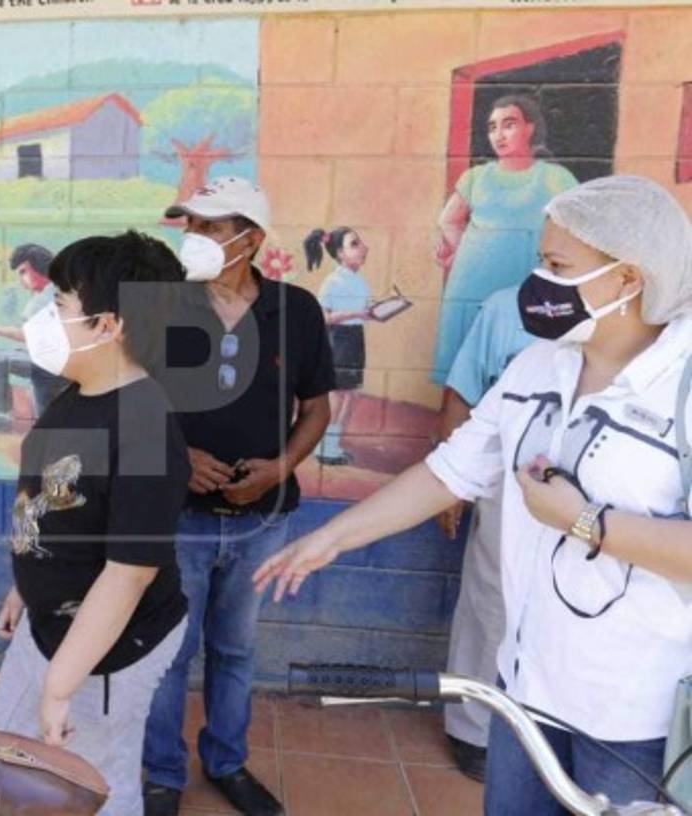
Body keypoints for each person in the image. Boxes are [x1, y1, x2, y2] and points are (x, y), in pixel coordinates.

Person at [255, 175, 692, 814]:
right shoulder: (541, 365)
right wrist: (330, 539)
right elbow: (449, 472)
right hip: (524, 689)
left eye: (555, 265)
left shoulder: (679, 385)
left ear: (628, 280)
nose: (537, 282)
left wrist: (586, 523)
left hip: (638, 716)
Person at [142, 177, 336, 816]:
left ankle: (227, 761)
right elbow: (122, 399)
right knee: (168, 653)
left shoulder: (296, 311)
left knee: (236, 649)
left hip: (262, 524)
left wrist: (280, 466)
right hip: (177, 519)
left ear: (249, 239)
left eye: (208, 226)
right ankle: (160, 774)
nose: (192, 237)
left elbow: (315, 408)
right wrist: (174, 457)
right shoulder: (161, 305)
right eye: (189, 226)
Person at [0, 231, 192, 816]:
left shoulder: (145, 427)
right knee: (10, 737)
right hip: (49, 626)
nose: (44, 317)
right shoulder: (76, 395)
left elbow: (127, 576)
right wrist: (23, 585)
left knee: (93, 782)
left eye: (60, 305)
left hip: (108, 648)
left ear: (109, 325)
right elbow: (54, 501)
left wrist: (61, 687)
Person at [435, 282, 534, 781]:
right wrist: (454, 487)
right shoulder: (505, 308)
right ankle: (471, 729)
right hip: (508, 480)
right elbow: (462, 392)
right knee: (490, 601)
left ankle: (548, 730)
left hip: (597, 489)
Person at [432, 94, 577, 385]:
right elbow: (448, 220)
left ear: (530, 128)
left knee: (522, 373)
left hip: (525, 284)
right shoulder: (476, 177)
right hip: (470, 285)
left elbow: (579, 224)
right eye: (492, 127)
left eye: (508, 124)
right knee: (465, 378)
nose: (499, 134)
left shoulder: (553, 176)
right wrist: (467, 253)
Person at [305, 227, 375, 467]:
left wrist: (377, 312)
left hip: (355, 337)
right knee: (336, 396)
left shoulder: (359, 280)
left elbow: (365, 310)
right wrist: (356, 313)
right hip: (339, 340)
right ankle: (324, 446)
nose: (363, 247)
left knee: (350, 395)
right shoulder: (333, 281)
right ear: (340, 253)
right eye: (354, 244)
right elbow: (323, 317)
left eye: (361, 242)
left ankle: (333, 445)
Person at [0, 243, 70, 423]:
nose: (21, 279)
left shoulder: (42, 300)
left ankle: (0, 417)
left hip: (50, 367)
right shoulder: (60, 290)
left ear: (38, 267)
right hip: (59, 365)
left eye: (23, 272)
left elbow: (27, 336)